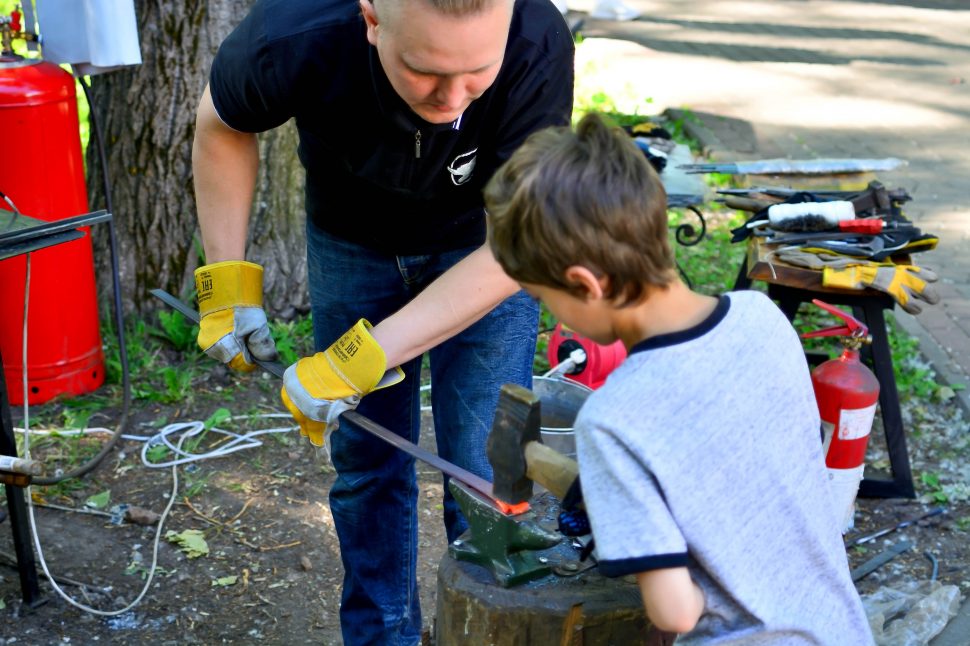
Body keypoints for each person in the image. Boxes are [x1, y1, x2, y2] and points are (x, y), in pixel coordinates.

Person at [190, 0, 574, 643]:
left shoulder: (538, 38)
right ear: (372, 18)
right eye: (424, 70)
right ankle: (380, 636)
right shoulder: (298, 30)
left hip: (483, 246)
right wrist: (225, 281)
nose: (453, 100)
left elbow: (521, 247)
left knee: (489, 471)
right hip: (351, 242)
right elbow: (221, 122)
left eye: (478, 71)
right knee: (368, 465)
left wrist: (356, 362)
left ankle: (488, 633)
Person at [484, 113, 874, 643]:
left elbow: (676, 614)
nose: (554, 320)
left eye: (543, 298)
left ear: (584, 283)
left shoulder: (612, 420)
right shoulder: (763, 320)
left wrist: (623, 528)